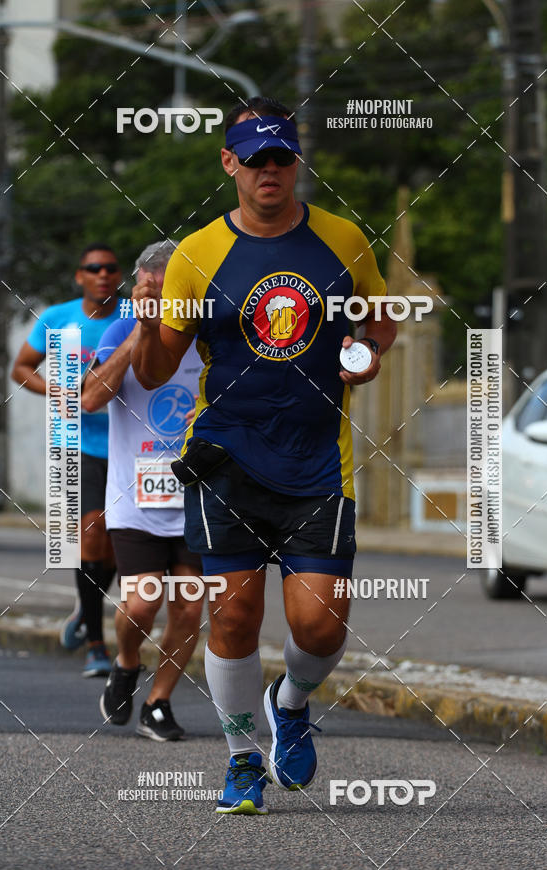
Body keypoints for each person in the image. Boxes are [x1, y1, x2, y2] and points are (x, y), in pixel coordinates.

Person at [131, 96, 397, 814]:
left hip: (318, 463)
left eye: (281, 158)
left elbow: (380, 317)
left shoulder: (344, 240)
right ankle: (243, 759)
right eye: (255, 160)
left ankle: (292, 701)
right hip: (226, 459)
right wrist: (150, 319)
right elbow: (155, 373)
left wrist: (369, 352)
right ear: (230, 163)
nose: (269, 171)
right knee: (232, 619)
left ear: (297, 162)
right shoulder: (195, 254)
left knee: (321, 624)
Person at [81, 240, 204, 740]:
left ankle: (158, 703)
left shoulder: (205, 332)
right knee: (141, 604)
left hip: (196, 496)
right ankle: (127, 662)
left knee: (189, 605)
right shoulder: (119, 329)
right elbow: (90, 399)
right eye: (150, 287)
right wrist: (141, 330)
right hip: (136, 497)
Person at [11, 243, 123, 676]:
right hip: (79, 443)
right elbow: (21, 367)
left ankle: (86, 608)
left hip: (130, 446)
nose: (102, 274)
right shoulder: (58, 318)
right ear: (80, 276)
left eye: (110, 268)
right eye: (93, 268)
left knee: (115, 546)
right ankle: (96, 645)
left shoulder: (133, 316)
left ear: (119, 276)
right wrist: (54, 391)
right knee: (91, 533)